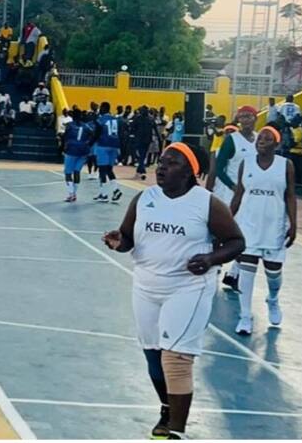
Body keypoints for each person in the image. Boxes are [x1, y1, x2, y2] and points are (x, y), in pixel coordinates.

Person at [103, 142, 244, 439]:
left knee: (176, 360)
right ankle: (167, 409)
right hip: (146, 285)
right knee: (153, 355)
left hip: (187, 288)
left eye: (173, 162)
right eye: (162, 161)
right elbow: (128, 237)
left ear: (192, 172)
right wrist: (119, 241)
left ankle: (177, 432)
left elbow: (235, 242)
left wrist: (209, 259)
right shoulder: (144, 199)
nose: (162, 166)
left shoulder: (206, 203)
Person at [229, 124, 298, 335]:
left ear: (276, 144)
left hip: (274, 226)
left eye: (267, 139)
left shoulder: (286, 165)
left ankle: (273, 299)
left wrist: (293, 224)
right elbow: (239, 194)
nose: (261, 141)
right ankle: (245, 316)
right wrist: (228, 222)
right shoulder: (246, 164)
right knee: (247, 271)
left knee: (273, 273)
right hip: (249, 225)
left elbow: (290, 196)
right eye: (260, 138)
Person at [208, 106, 258, 292]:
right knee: (221, 231)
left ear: (255, 118)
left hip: (250, 194)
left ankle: (234, 273)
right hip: (229, 193)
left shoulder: (259, 138)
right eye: (242, 116)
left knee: (246, 234)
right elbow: (219, 168)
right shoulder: (232, 140)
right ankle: (215, 265)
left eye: (249, 116)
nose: (245, 119)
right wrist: (232, 186)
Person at [92, 102, 124, 204]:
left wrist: (88, 144)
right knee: (109, 169)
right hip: (114, 145)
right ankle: (114, 190)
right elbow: (121, 133)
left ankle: (105, 194)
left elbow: (96, 134)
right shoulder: (116, 120)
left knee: (102, 170)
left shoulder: (100, 120)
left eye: (101, 108)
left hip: (103, 145)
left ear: (103, 108)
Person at [62, 109, 94, 203]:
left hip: (72, 150)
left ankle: (71, 194)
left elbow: (65, 137)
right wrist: (89, 143)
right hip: (83, 150)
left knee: (68, 173)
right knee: (77, 172)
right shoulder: (86, 126)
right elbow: (93, 134)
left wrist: (64, 147)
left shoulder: (69, 125)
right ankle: (74, 193)